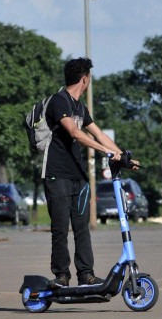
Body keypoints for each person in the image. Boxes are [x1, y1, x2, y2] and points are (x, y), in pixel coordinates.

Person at [44, 57, 123, 289]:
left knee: (82, 229)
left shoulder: (80, 107)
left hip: (78, 177)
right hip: (56, 175)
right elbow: (75, 133)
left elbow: (99, 134)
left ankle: (86, 275)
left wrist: (124, 155)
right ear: (85, 79)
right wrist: (108, 152)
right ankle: (61, 275)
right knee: (60, 228)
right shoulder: (59, 101)